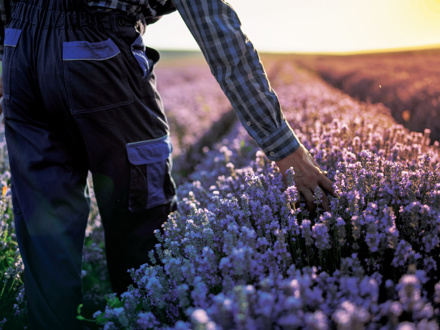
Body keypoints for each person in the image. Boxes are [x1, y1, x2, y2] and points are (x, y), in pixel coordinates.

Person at [0, 0, 334, 328]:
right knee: (142, 218)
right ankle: (144, 318)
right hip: (100, 54)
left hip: (18, 47)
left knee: (44, 224)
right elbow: (218, 32)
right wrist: (286, 150)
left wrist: (16, 53)